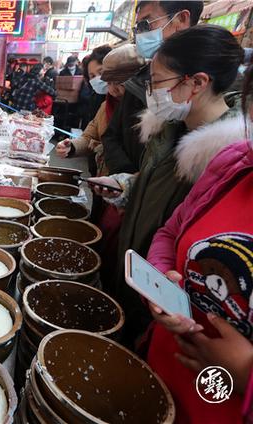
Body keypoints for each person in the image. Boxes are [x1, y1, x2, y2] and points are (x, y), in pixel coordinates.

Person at [91, 26, 244, 350]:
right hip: (139, 274)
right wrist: (126, 186)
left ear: (197, 83)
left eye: (157, 82)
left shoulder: (227, 161)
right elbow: (158, 190)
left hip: (166, 308)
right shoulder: (170, 128)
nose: (150, 91)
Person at [145, 66, 253, 423]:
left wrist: (246, 374)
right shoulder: (234, 164)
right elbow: (169, 233)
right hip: (163, 373)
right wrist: (160, 282)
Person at [101, 0, 203, 175]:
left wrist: (139, 185)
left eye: (145, 24)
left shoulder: (209, 87)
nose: (140, 35)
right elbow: (111, 135)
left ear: (181, 19)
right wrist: (125, 178)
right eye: (137, 28)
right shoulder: (139, 79)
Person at [56, 45, 144, 179]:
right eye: (92, 76)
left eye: (118, 81)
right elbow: (89, 136)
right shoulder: (105, 105)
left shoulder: (147, 110)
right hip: (102, 179)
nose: (112, 88)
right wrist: (71, 147)